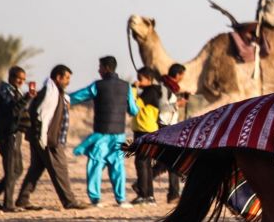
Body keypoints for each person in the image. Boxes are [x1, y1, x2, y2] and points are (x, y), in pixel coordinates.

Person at [69, 56, 138, 208]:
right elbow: (134, 110)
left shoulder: (98, 86)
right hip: (119, 135)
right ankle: (121, 200)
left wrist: (64, 98)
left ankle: (96, 200)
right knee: (118, 167)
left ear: (106, 68)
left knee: (95, 165)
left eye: (100, 67)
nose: (98, 70)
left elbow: (77, 97)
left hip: (101, 135)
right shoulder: (126, 86)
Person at [15, 65, 87, 210]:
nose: (68, 82)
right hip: (48, 138)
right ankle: (69, 201)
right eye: (66, 78)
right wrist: (43, 138)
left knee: (36, 168)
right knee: (60, 168)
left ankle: (23, 199)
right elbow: (42, 116)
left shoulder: (56, 93)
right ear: (58, 78)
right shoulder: (49, 94)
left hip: (43, 137)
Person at [0, 66, 35, 211]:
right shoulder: (5, 91)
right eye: (19, 78)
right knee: (10, 170)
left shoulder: (16, 92)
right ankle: (8, 204)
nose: (21, 82)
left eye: (23, 79)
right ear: (11, 77)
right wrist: (27, 98)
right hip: (7, 135)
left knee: (17, 169)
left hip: (16, 134)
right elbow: (13, 110)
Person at [131, 67, 162, 205]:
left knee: (141, 162)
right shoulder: (152, 91)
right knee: (146, 164)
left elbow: (134, 105)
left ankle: (143, 195)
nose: (138, 81)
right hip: (148, 130)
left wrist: (133, 88)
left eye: (140, 78)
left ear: (149, 79)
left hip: (144, 130)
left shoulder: (150, 92)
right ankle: (149, 196)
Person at [157, 63, 188, 203]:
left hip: (170, 127)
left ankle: (142, 184)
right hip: (165, 126)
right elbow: (162, 106)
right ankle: (173, 195)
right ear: (177, 75)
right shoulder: (164, 88)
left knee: (168, 161)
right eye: (182, 75)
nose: (182, 78)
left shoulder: (171, 88)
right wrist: (177, 104)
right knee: (173, 162)